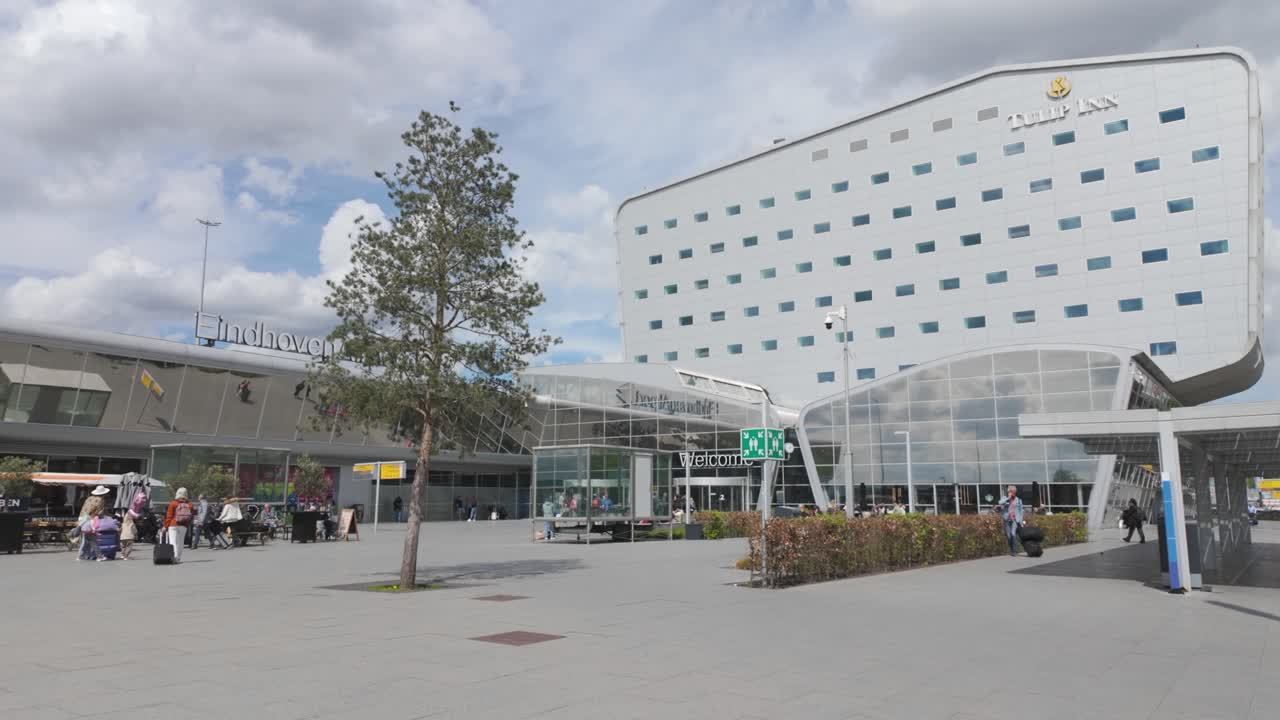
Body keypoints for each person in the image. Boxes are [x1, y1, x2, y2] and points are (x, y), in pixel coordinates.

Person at [76, 487, 109, 561]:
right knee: (93, 539)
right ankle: (98, 556)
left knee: (85, 539)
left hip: (82, 518)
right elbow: (100, 512)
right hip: (90, 520)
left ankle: (84, 555)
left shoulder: (89, 498)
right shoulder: (100, 500)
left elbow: (84, 508)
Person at [163, 487, 195, 563]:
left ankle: (174, 557)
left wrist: (165, 526)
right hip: (183, 526)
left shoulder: (173, 503)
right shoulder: (189, 504)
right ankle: (178, 558)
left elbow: (169, 516)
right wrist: (187, 524)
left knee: (173, 542)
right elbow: (191, 516)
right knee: (181, 542)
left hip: (173, 525)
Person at [996, 485, 1024, 556]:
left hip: (1015, 519)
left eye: (1013, 491)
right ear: (1008, 492)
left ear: (1015, 492)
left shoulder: (1018, 499)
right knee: (1008, 536)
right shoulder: (1005, 498)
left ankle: (1015, 550)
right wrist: (1008, 498)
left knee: (1013, 533)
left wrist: (1021, 520)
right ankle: (1012, 549)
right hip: (1007, 519)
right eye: (1010, 491)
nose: (1011, 493)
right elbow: (999, 502)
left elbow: (1021, 510)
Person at [119, 489, 147, 559]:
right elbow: (135, 530)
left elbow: (120, 530)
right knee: (129, 546)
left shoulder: (123, 524)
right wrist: (136, 535)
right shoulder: (132, 524)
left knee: (123, 546)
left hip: (122, 537)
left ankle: (123, 555)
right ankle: (126, 556)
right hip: (129, 537)